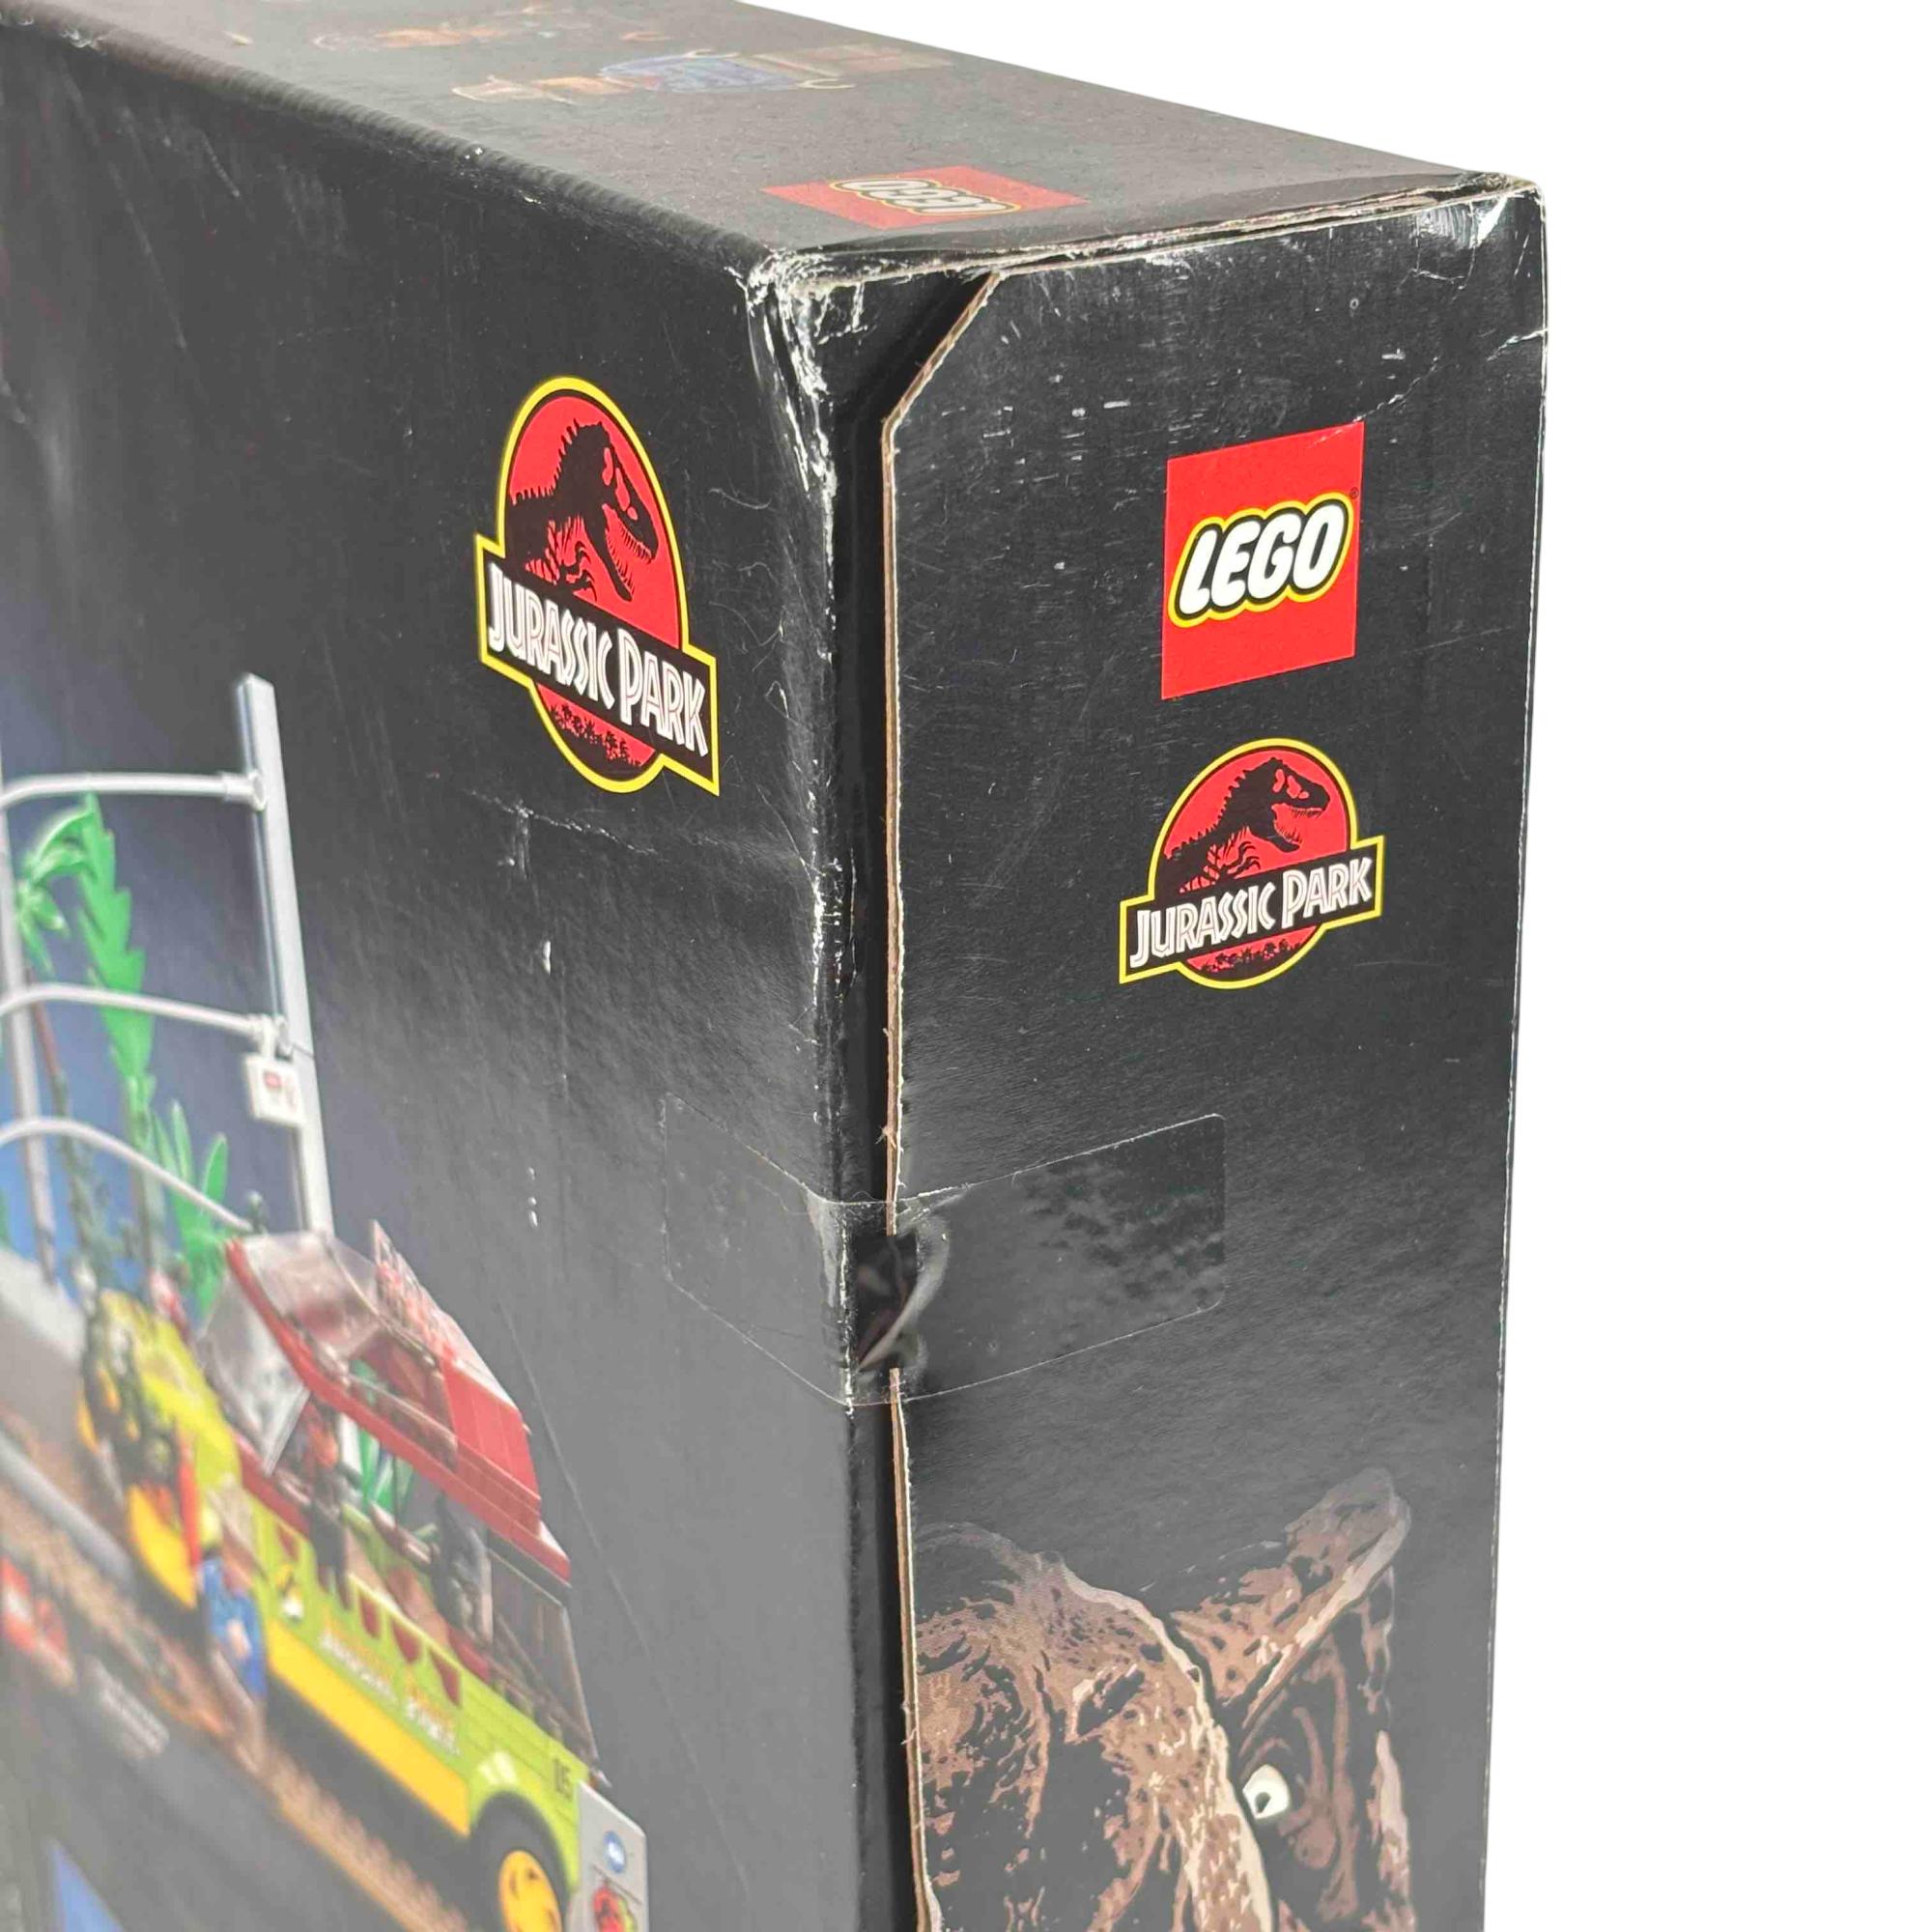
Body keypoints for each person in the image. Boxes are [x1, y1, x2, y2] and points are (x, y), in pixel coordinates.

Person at [198, 1501, 269, 1774]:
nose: (241, 1574)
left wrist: (252, 1674)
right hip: (218, 1650)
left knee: (251, 1708)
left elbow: (254, 1648)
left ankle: (251, 1757)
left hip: (239, 1660)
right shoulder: (211, 1575)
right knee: (242, 1703)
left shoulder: (246, 1605)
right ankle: (237, 1739)